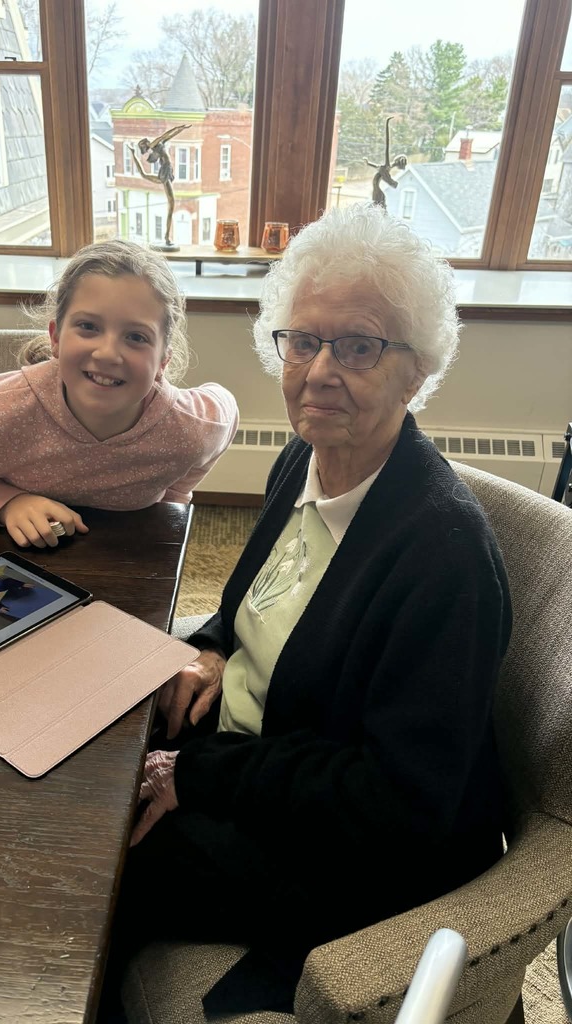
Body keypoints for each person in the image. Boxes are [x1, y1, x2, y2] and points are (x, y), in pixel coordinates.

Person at [103, 203, 512, 1016]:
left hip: (349, 850)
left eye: (359, 345)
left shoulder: (444, 560)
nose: (319, 370)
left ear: (416, 369)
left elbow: (397, 803)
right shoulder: (305, 456)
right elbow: (258, 603)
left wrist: (196, 774)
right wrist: (215, 648)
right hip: (267, 754)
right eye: (303, 340)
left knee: (101, 864)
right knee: (89, 754)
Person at [0, 239, 238, 548]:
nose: (107, 353)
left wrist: (174, 496)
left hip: (128, 563)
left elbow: (227, 414)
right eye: (89, 327)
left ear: (163, 360)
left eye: (136, 337)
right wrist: (3, 502)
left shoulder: (191, 426)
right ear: (56, 338)